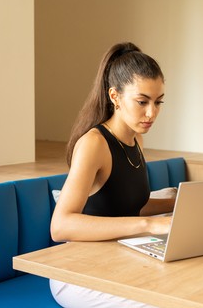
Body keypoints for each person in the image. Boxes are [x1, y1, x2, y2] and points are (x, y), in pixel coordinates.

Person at [49, 42, 175, 308]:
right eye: (142, 102)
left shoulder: (135, 139)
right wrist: (150, 225)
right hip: (76, 273)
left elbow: (124, 205)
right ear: (115, 96)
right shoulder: (94, 143)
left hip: (116, 262)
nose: (152, 113)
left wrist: (178, 204)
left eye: (158, 102)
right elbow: (60, 227)